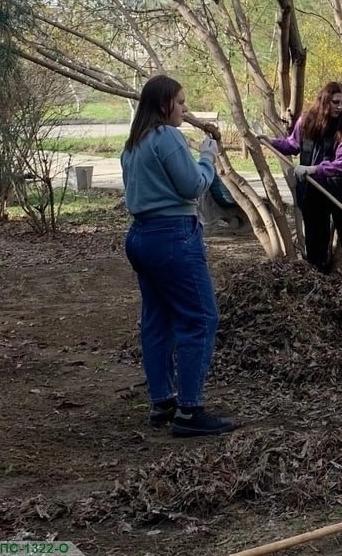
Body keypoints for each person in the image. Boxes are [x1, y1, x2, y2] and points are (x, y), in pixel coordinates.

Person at [120, 74, 235, 437]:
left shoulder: (133, 144)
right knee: (200, 318)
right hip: (173, 237)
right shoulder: (167, 137)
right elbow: (192, 186)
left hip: (141, 236)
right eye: (181, 103)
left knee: (157, 320)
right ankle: (189, 410)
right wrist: (206, 157)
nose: (185, 110)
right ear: (164, 104)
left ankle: (163, 402)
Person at [268, 82, 342, 300]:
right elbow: (292, 144)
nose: (340, 107)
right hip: (313, 193)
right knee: (315, 240)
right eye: (335, 102)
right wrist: (270, 142)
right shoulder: (306, 122)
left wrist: (313, 169)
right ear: (325, 100)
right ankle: (317, 282)